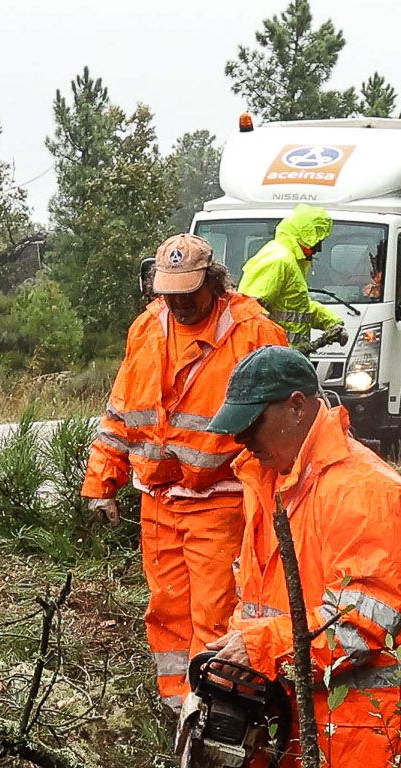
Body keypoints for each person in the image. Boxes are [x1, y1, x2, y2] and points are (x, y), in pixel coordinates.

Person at [187, 346, 401, 768]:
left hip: (365, 727)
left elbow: (357, 625)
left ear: (297, 408)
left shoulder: (363, 491)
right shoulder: (272, 482)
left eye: (253, 422)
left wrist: (258, 649)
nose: (244, 439)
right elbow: (261, 604)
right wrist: (232, 670)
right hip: (280, 708)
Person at [81, 235, 289, 717]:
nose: (178, 303)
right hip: (158, 499)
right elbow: (120, 412)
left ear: (213, 284)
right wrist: (100, 481)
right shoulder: (146, 330)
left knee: (215, 612)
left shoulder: (253, 332)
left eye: (188, 293)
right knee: (167, 610)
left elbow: (286, 422)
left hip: (221, 498)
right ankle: (179, 711)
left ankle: (219, 713)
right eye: (168, 292)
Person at [236, 205, 346, 349]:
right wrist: (275, 348)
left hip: (286, 359)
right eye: (317, 241)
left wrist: (331, 321)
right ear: (305, 235)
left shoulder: (290, 260)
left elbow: (296, 307)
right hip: (274, 362)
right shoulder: (279, 260)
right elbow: (250, 311)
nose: (319, 249)